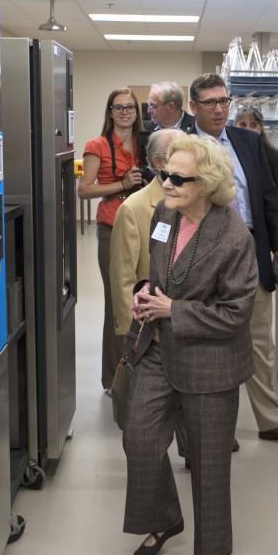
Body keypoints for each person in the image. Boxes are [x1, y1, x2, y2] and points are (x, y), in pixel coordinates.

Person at [122, 136, 258, 555]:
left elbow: (236, 313)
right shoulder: (165, 213)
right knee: (139, 438)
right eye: (165, 174)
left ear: (208, 185)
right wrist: (147, 288)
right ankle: (165, 518)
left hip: (211, 362)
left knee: (208, 462)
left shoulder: (235, 237)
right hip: (159, 349)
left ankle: (211, 547)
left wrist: (173, 310)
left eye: (180, 178)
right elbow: (161, 272)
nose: (168, 183)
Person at [185, 73, 278, 443]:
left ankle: (271, 420)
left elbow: (269, 196)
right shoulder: (183, 147)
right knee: (211, 342)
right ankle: (215, 426)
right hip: (205, 256)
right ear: (194, 107)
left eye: (224, 101)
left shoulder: (247, 141)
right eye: (210, 102)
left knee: (260, 338)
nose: (220, 109)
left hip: (252, 250)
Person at [108, 128, 186, 428]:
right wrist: (130, 331)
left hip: (182, 318)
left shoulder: (194, 202)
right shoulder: (135, 208)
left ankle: (191, 448)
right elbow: (123, 277)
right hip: (149, 325)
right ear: (159, 161)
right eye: (180, 152)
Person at [79, 88, 145, 391]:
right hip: (112, 229)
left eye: (130, 107)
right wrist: (121, 184)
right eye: (118, 108)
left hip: (145, 229)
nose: (125, 112)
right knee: (116, 304)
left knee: (143, 301)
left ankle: (143, 370)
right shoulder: (97, 145)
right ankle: (115, 378)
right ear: (110, 112)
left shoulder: (145, 144)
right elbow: (85, 189)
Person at [233, 105, 278, 225]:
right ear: (235, 128)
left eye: (253, 125)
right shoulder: (230, 156)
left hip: (262, 232)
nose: (248, 130)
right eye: (243, 125)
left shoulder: (273, 158)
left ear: (261, 129)